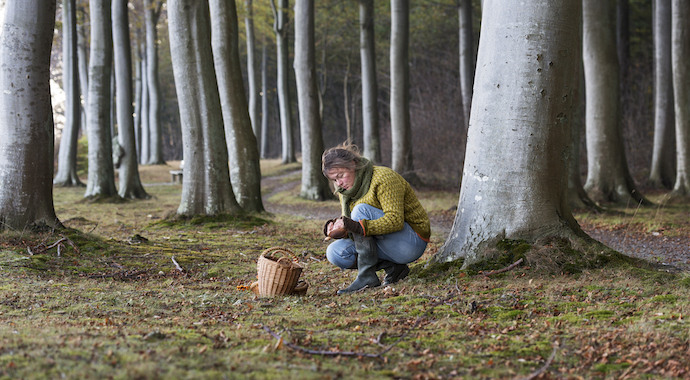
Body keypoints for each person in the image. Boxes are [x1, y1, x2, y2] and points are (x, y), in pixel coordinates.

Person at [322, 143, 430, 294]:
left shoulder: (383, 178)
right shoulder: (345, 192)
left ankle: (367, 277)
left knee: (361, 209)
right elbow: (359, 233)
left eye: (340, 176)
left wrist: (355, 225)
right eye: (334, 180)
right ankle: (395, 268)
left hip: (411, 242)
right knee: (335, 252)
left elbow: (395, 220)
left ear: (353, 164)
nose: (338, 184)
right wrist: (341, 229)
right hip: (385, 243)